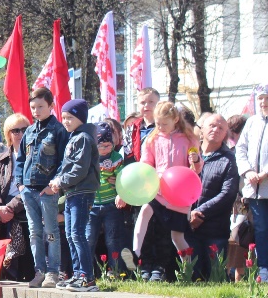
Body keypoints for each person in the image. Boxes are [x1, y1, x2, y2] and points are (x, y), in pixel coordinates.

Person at [131, 101, 202, 281]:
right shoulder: (153, 139)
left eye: (164, 123)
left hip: (179, 192)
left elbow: (196, 168)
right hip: (160, 188)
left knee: (177, 236)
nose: (160, 127)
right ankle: (135, 253)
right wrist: (147, 173)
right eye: (158, 123)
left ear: (175, 119)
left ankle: (187, 268)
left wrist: (196, 159)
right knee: (145, 211)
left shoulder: (188, 139)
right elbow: (147, 162)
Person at [15, 87, 69, 288]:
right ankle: (39, 271)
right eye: (33, 107)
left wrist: (53, 184)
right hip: (28, 189)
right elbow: (20, 159)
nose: (36, 111)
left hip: (47, 190)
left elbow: (64, 161)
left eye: (40, 106)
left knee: (51, 230)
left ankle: (53, 272)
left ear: (51, 106)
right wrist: (20, 184)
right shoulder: (29, 131)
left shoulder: (58, 130)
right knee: (34, 231)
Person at [48, 99, 100, 291]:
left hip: (82, 192)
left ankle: (87, 277)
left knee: (77, 234)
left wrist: (61, 181)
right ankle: (78, 274)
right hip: (72, 192)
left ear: (80, 117)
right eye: (64, 117)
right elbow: (66, 167)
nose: (66, 121)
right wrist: (57, 179)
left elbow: (79, 168)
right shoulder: (74, 137)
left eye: (70, 117)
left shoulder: (83, 138)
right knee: (70, 235)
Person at [189, 114, 239, 281]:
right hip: (189, 227)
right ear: (202, 129)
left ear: (226, 134)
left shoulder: (229, 159)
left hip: (215, 229)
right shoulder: (190, 154)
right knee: (192, 277)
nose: (215, 130)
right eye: (212, 126)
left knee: (215, 277)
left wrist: (200, 212)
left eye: (221, 128)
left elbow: (228, 193)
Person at [0, 113, 32, 280]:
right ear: (8, 135)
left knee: (24, 263)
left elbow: (30, 186)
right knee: (3, 263)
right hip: (2, 213)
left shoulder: (34, 157)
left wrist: (10, 208)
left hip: (24, 211)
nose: (20, 134)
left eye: (24, 130)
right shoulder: (0, 158)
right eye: (15, 131)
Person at [234, 84, 268, 280]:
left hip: (265, 181)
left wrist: (265, 172)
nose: (263, 102)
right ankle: (264, 268)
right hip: (254, 189)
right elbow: (241, 149)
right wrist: (247, 172)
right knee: (261, 228)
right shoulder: (252, 122)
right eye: (261, 98)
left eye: (266, 98)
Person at [86, 122, 126, 277]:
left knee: (113, 239)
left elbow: (122, 178)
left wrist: (119, 190)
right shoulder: (90, 157)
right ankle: (86, 271)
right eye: (100, 146)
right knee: (89, 238)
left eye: (107, 146)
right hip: (93, 204)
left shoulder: (116, 158)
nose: (103, 150)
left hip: (111, 205)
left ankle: (115, 271)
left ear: (113, 143)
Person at [127, 87, 159, 160]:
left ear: (158, 104)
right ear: (138, 105)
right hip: (139, 168)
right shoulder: (132, 127)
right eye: (142, 103)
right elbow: (128, 152)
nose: (146, 106)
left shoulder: (165, 125)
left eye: (151, 102)